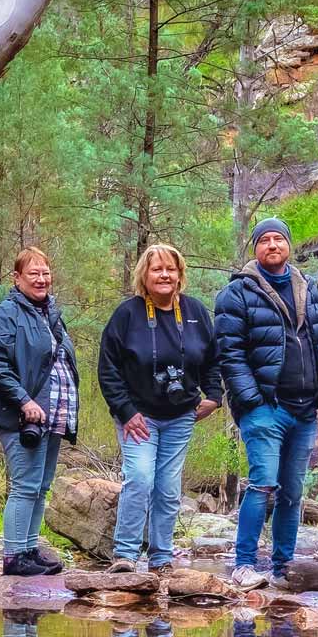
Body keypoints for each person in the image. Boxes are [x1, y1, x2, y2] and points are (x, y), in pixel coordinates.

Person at [214, 219, 318, 591]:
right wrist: (251, 401)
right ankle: (245, 564)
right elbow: (229, 354)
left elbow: (317, 339)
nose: (272, 245)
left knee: (293, 490)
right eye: (264, 240)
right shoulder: (236, 294)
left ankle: (284, 567)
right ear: (255, 248)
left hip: (305, 407)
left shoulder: (306, 287)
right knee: (263, 484)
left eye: (278, 238)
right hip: (265, 407)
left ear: (288, 245)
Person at [99, 243, 224, 572]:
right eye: (157, 269)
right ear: (145, 275)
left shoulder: (196, 312)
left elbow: (213, 360)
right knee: (139, 479)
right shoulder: (128, 314)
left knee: (168, 488)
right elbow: (108, 368)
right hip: (138, 416)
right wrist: (125, 411)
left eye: (171, 269)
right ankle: (125, 555)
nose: (164, 274)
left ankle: (161, 558)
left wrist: (213, 396)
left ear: (180, 274)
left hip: (181, 415)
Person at [0, 247, 78, 577]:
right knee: (25, 485)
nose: (41, 279)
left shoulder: (51, 315)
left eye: (45, 272)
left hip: (52, 413)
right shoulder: (3, 315)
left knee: (41, 485)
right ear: (17, 278)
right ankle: (13, 556)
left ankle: (29, 549)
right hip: (19, 414)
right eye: (33, 273)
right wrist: (24, 401)